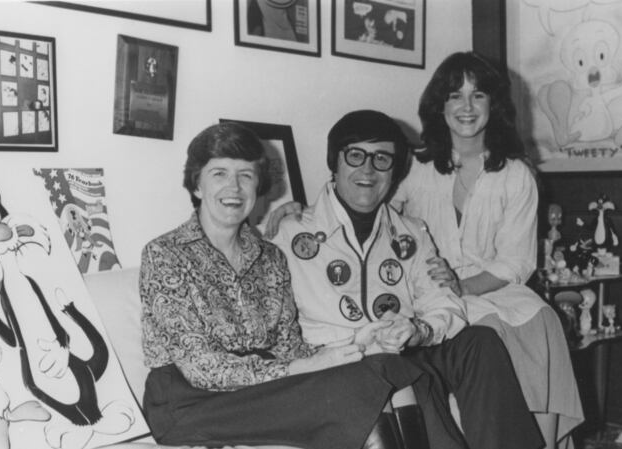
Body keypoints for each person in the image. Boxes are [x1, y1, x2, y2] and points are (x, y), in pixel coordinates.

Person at [139, 122, 459, 449]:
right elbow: (202, 368)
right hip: (189, 401)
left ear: (258, 186)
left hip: (256, 391)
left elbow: (290, 348)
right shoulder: (166, 254)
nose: (234, 187)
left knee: (392, 366)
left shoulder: (269, 257)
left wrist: (357, 343)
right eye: (219, 174)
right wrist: (306, 366)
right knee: (356, 390)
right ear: (197, 185)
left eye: (246, 175)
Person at [270, 110, 544, 449]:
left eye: (382, 159)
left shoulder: (411, 233)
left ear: (395, 172)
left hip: (404, 351)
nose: (368, 170)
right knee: (398, 371)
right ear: (334, 163)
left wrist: (419, 331)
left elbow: (444, 303)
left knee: (479, 342)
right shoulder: (289, 233)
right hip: (343, 360)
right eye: (355, 155)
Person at [394, 51, 584, 449]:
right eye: (455, 95)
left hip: (491, 287)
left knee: (543, 319)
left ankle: (543, 442)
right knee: (490, 334)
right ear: (439, 105)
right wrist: (294, 213)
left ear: (492, 104)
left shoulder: (515, 174)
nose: (466, 106)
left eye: (477, 95)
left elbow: (516, 261)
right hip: (428, 292)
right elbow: (372, 212)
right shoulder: (412, 167)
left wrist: (463, 286)